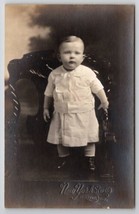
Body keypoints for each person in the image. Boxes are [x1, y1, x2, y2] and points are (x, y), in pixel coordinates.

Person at [43, 36, 109, 171]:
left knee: (89, 137)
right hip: (63, 113)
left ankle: (90, 158)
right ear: (59, 57)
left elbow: (98, 88)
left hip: (84, 112)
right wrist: (45, 108)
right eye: (67, 53)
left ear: (82, 57)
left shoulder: (87, 73)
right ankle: (63, 158)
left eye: (76, 53)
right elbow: (48, 93)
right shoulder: (55, 74)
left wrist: (104, 101)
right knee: (60, 137)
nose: (72, 56)